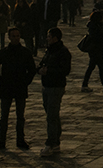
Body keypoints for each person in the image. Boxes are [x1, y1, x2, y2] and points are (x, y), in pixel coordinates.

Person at [0, 26, 37, 151]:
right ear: (9, 37)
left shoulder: (25, 52)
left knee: (20, 116)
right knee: (4, 116)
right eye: (13, 36)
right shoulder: (4, 52)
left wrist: (26, 81)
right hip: (6, 87)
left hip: (20, 87)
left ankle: (20, 140)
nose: (16, 38)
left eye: (17, 36)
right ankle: (1, 140)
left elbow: (32, 69)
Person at [37, 27, 71, 157]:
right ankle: (55, 142)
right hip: (46, 86)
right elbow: (41, 64)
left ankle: (50, 143)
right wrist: (39, 69)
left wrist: (48, 71)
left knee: (51, 115)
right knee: (53, 114)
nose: (47, 39)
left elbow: (65, 70)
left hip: (56, 86)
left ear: (55, 38)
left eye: (49, 37)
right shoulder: (49, 51)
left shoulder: (63, 52)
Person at [80, 10, 103, 93]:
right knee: (100, 68)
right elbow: (95, 38)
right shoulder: (94, 27)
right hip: (95, 49)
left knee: (92, 67)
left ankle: (85, 85)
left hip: (97, 49)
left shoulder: (96, 25)